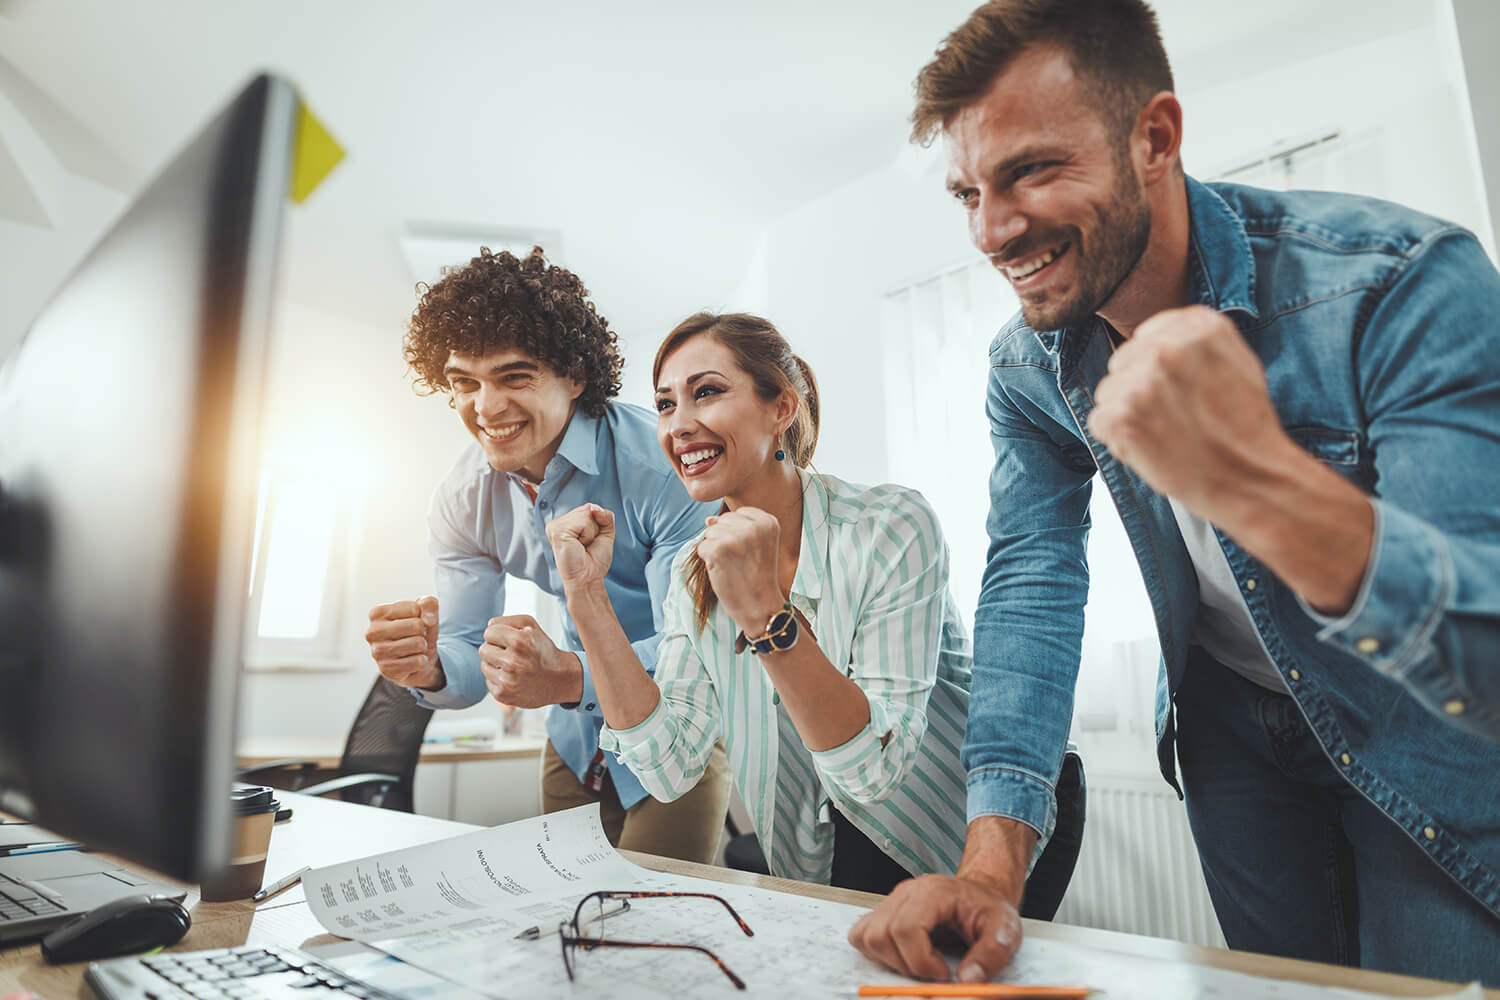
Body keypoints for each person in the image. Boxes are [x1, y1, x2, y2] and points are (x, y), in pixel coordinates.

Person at [849, 0, 1500, 987]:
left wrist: (1251, 478)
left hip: (1414, 717)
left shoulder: (1399, 284)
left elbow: (1485, 645)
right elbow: (1033, 577)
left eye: (1032, 170)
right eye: (969, 191)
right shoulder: (1028, 365)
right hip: (1228, 720)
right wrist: (991, 864)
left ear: (1154, 135)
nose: (992, 229)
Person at [542, 312, 986, 894]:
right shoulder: (691, 570)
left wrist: (765, 616)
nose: (679, 424)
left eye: (707, 392)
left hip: (955, 830)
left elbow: (873, 773)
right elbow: (669, 768)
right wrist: (587, 598)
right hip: (824, 845)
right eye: (666, 404)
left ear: (781, 409)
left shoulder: (890, 525)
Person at [364, 247, 730, 862]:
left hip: (674, 735)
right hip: (573, 737)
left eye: (514, 377)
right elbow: (463, 649)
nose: (486, 408)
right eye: (464, 383)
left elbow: (689, 654)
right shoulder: (462, 498)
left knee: (660, 928)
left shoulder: (667, 467)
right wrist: (428, 666)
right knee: (567, 923)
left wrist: (562, 674)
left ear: (575, 375)